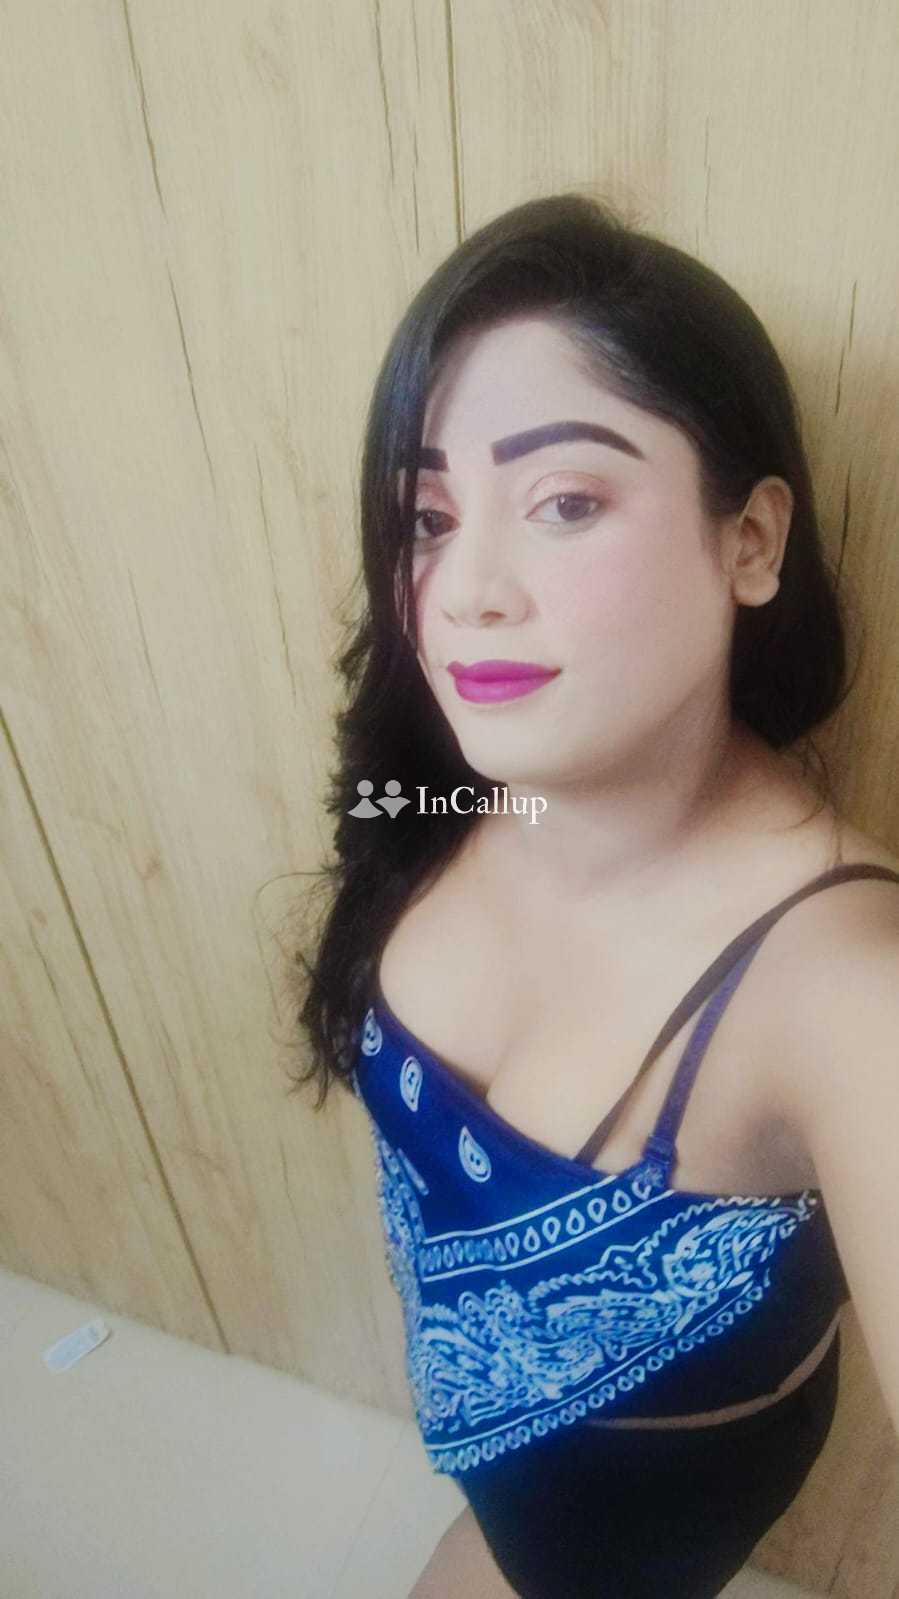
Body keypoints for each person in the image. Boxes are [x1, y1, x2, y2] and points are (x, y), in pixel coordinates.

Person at [290, 194, 899, 1597]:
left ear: (752, 542)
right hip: (501, 1475)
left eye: (565, 500)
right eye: (429, 515)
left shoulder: (848, 991)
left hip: (638, 1525)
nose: (465, 592)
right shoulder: (452, 789)